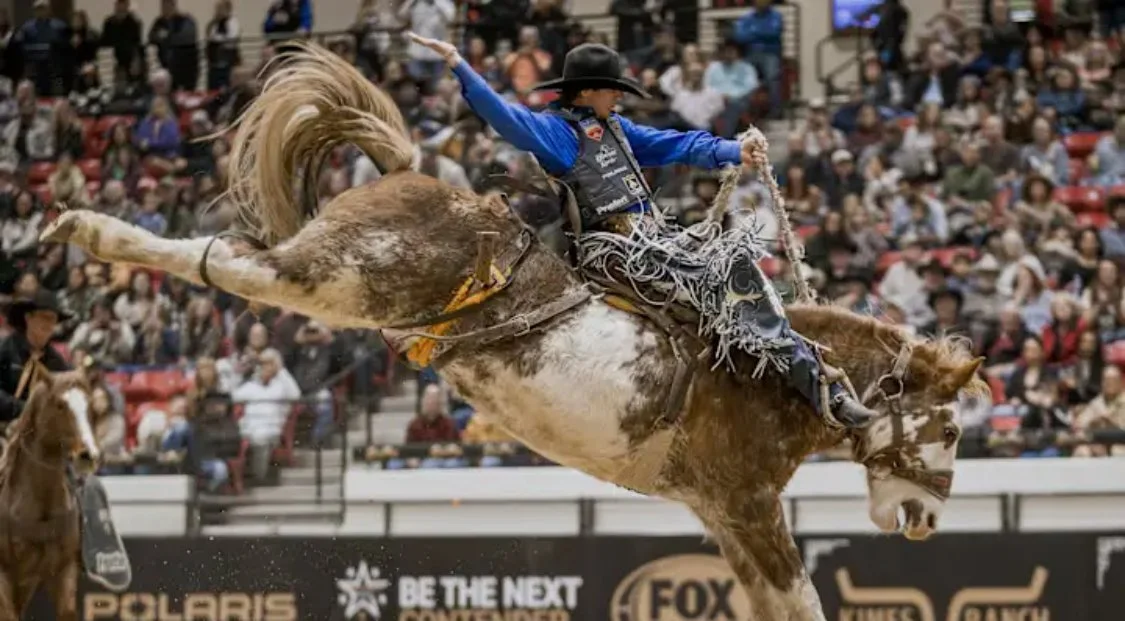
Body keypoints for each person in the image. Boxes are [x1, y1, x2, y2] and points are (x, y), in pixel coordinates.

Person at [407, 32, 879, 427]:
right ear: (587, 91)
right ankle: (815, 387)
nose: (619, 96)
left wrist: (733, 151)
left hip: (650, 239)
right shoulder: (557, 132)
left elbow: (675, 143)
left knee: (737, 268)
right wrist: (460, 66)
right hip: (610, 247)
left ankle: (778, 378)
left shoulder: (616, 128)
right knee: (727, 271)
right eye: (612, 89)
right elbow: (506, 119)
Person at [0, 289, 71, 423]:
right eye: (44, 317)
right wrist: (24, 409)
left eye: (53, 319)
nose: (49, 324)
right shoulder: (5, 348)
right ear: (28, 318)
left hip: (36, 431)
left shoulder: (56, 362)